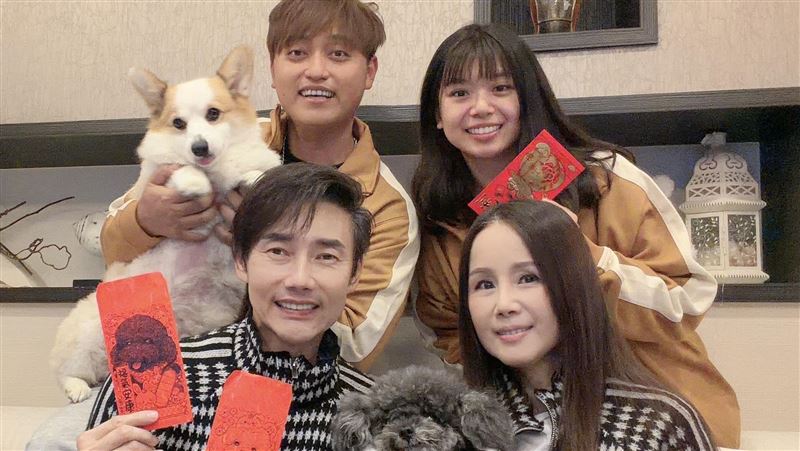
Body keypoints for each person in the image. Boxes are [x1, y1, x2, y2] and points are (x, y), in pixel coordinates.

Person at [411, 23, 739, 447]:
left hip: (655, 417)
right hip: (530, 428)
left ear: (528, 99)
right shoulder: (440, 221)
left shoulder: (604, 181)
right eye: (459, 93)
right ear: (437, 115)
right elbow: (451, 338)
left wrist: (585, 257)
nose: (481, 107)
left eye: (501, 88)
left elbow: (687, 302)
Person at [101, 0, 419, 370]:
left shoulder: (387, 207)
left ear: (369, 71)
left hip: (288, 388)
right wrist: (145, 221)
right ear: (271, 68)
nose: (316, 71)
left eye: (338, 54)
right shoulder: (220, 136)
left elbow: (354, 347)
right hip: (159, 364)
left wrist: (259, 254)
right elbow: (112, 249)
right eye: (297, 53)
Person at [78, 163, 376, 450]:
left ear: (355, 273)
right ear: (241, 260)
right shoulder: (152, 375)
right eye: (278, 251)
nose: (300, 279)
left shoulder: (377, 415)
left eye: (326, 257)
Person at [459, 200, 715, 450]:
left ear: (574, 284)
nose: (504, 304)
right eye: (485, 284)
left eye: (528, 278)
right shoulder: (452, 427)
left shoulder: (659, 423)